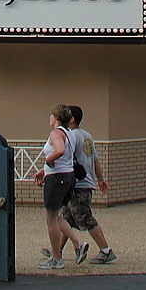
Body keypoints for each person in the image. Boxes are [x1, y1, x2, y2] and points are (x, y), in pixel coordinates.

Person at [41, 105, 117, 265]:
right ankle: (58, 250)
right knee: (66, 217)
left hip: (78, 184)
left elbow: (63, 157)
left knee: (84, 217)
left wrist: (46, 166)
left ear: (71, 119)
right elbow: (94, 159)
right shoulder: (86, 135)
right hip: (86, 181)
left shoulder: (69, 136)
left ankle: (106, 250)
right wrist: (100, 178)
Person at [33, 104, 89, 269]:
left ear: (56, 118)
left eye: (51, 115)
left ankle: (56, 258)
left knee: (51, 219)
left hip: (57, 179)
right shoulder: (70, 134)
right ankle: (78, 243)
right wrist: (44, 171)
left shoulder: (56, 133)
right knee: (57, 216)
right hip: (68, 177)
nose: (49, 118)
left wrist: (47, 161)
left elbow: (60, 150)